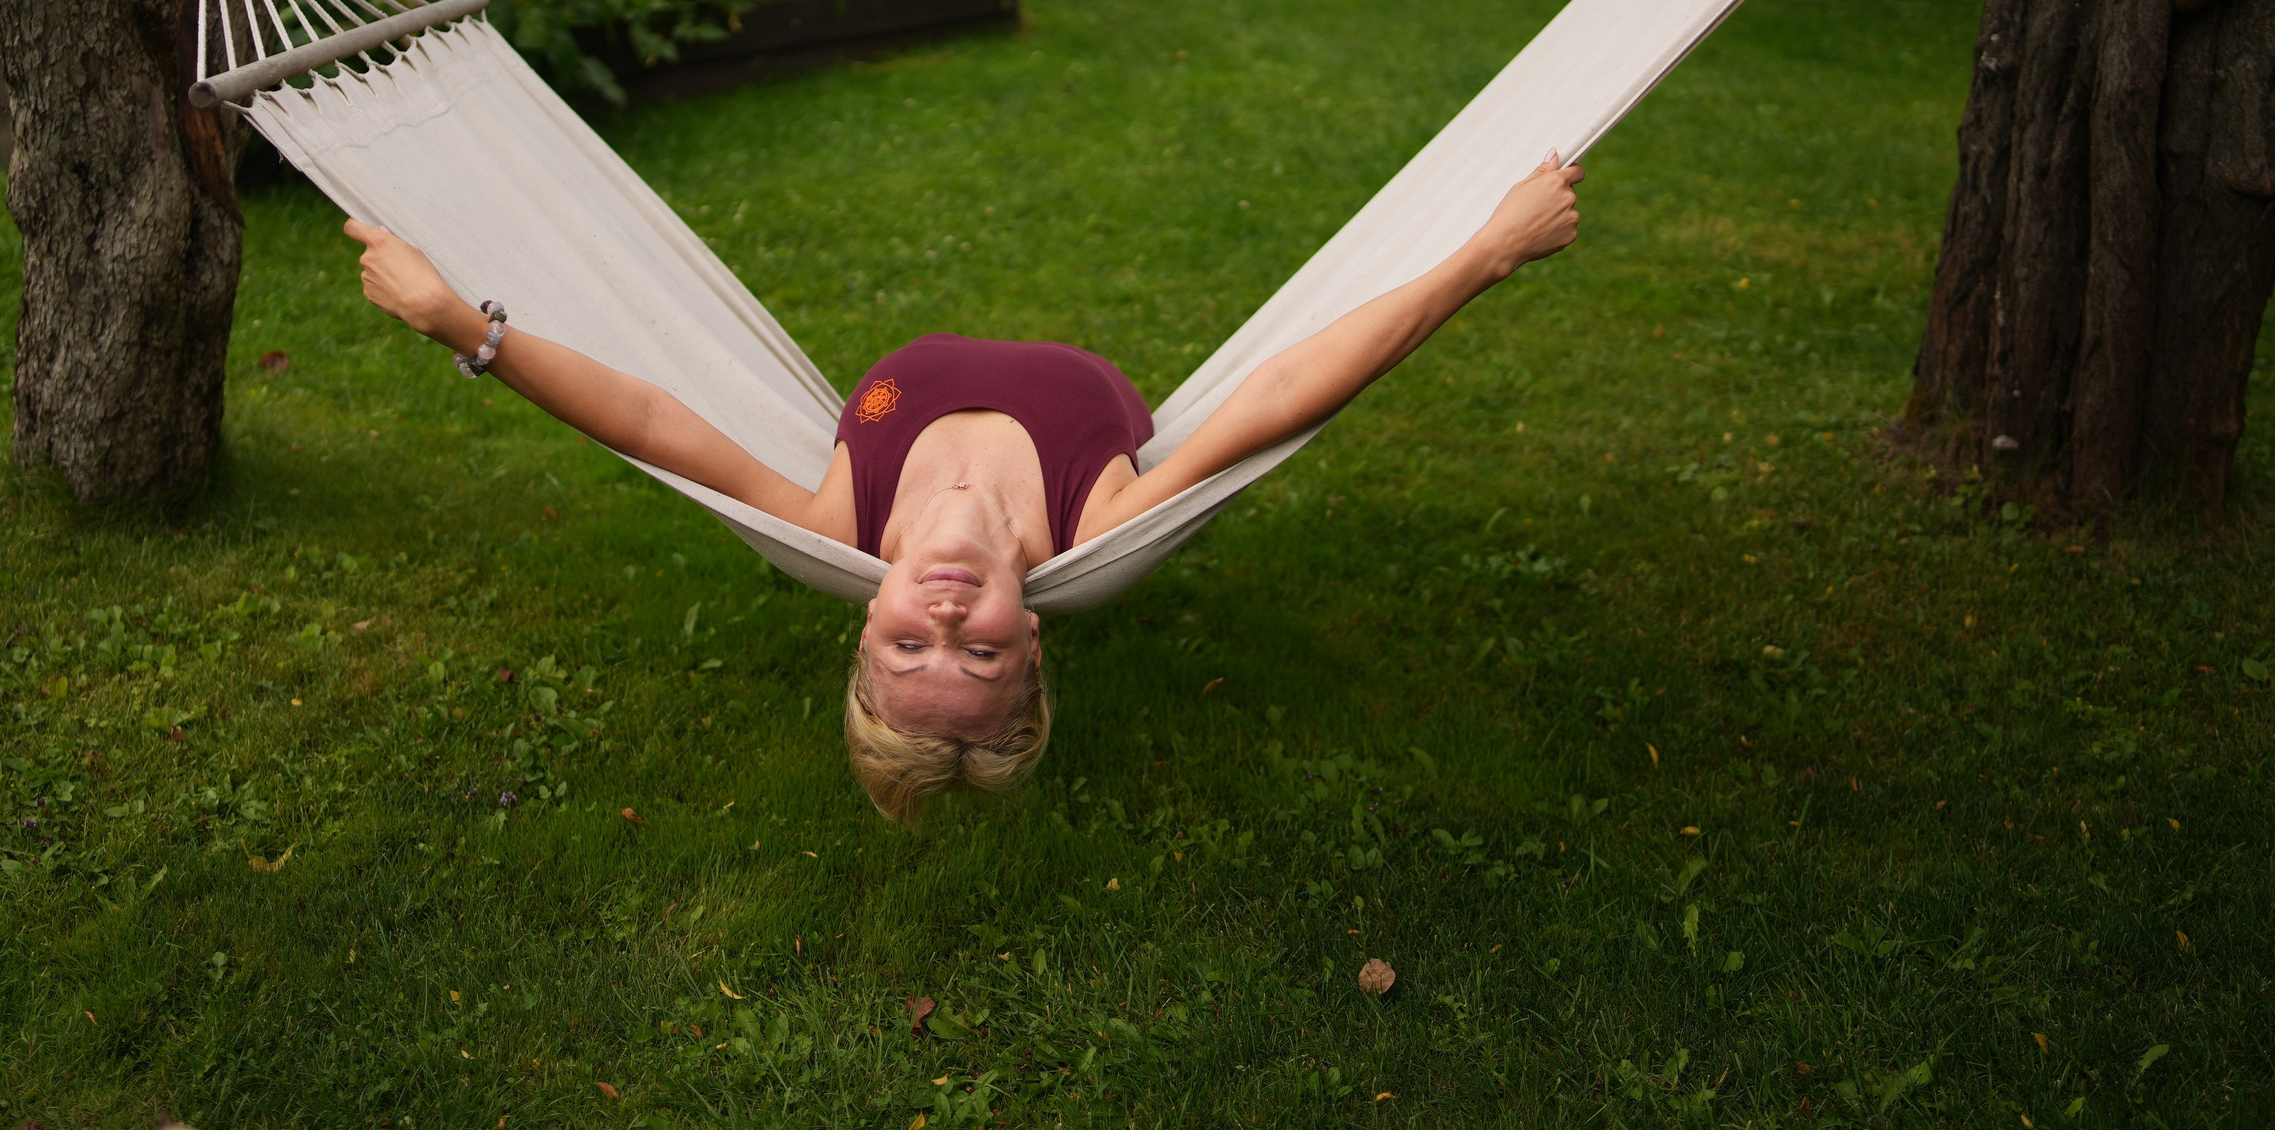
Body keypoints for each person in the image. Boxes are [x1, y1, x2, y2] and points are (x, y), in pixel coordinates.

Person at [345, 154, 1585, 820]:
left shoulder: (841, 529)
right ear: (1034, 642)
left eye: (906, 649)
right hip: (1076, 418)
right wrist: (1484, 252)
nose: (943, 619)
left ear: (865, 621)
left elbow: (660, 422)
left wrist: (462, 324)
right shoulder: (1093, 531)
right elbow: (1279, 397)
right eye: (979, 659)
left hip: (892, 405)